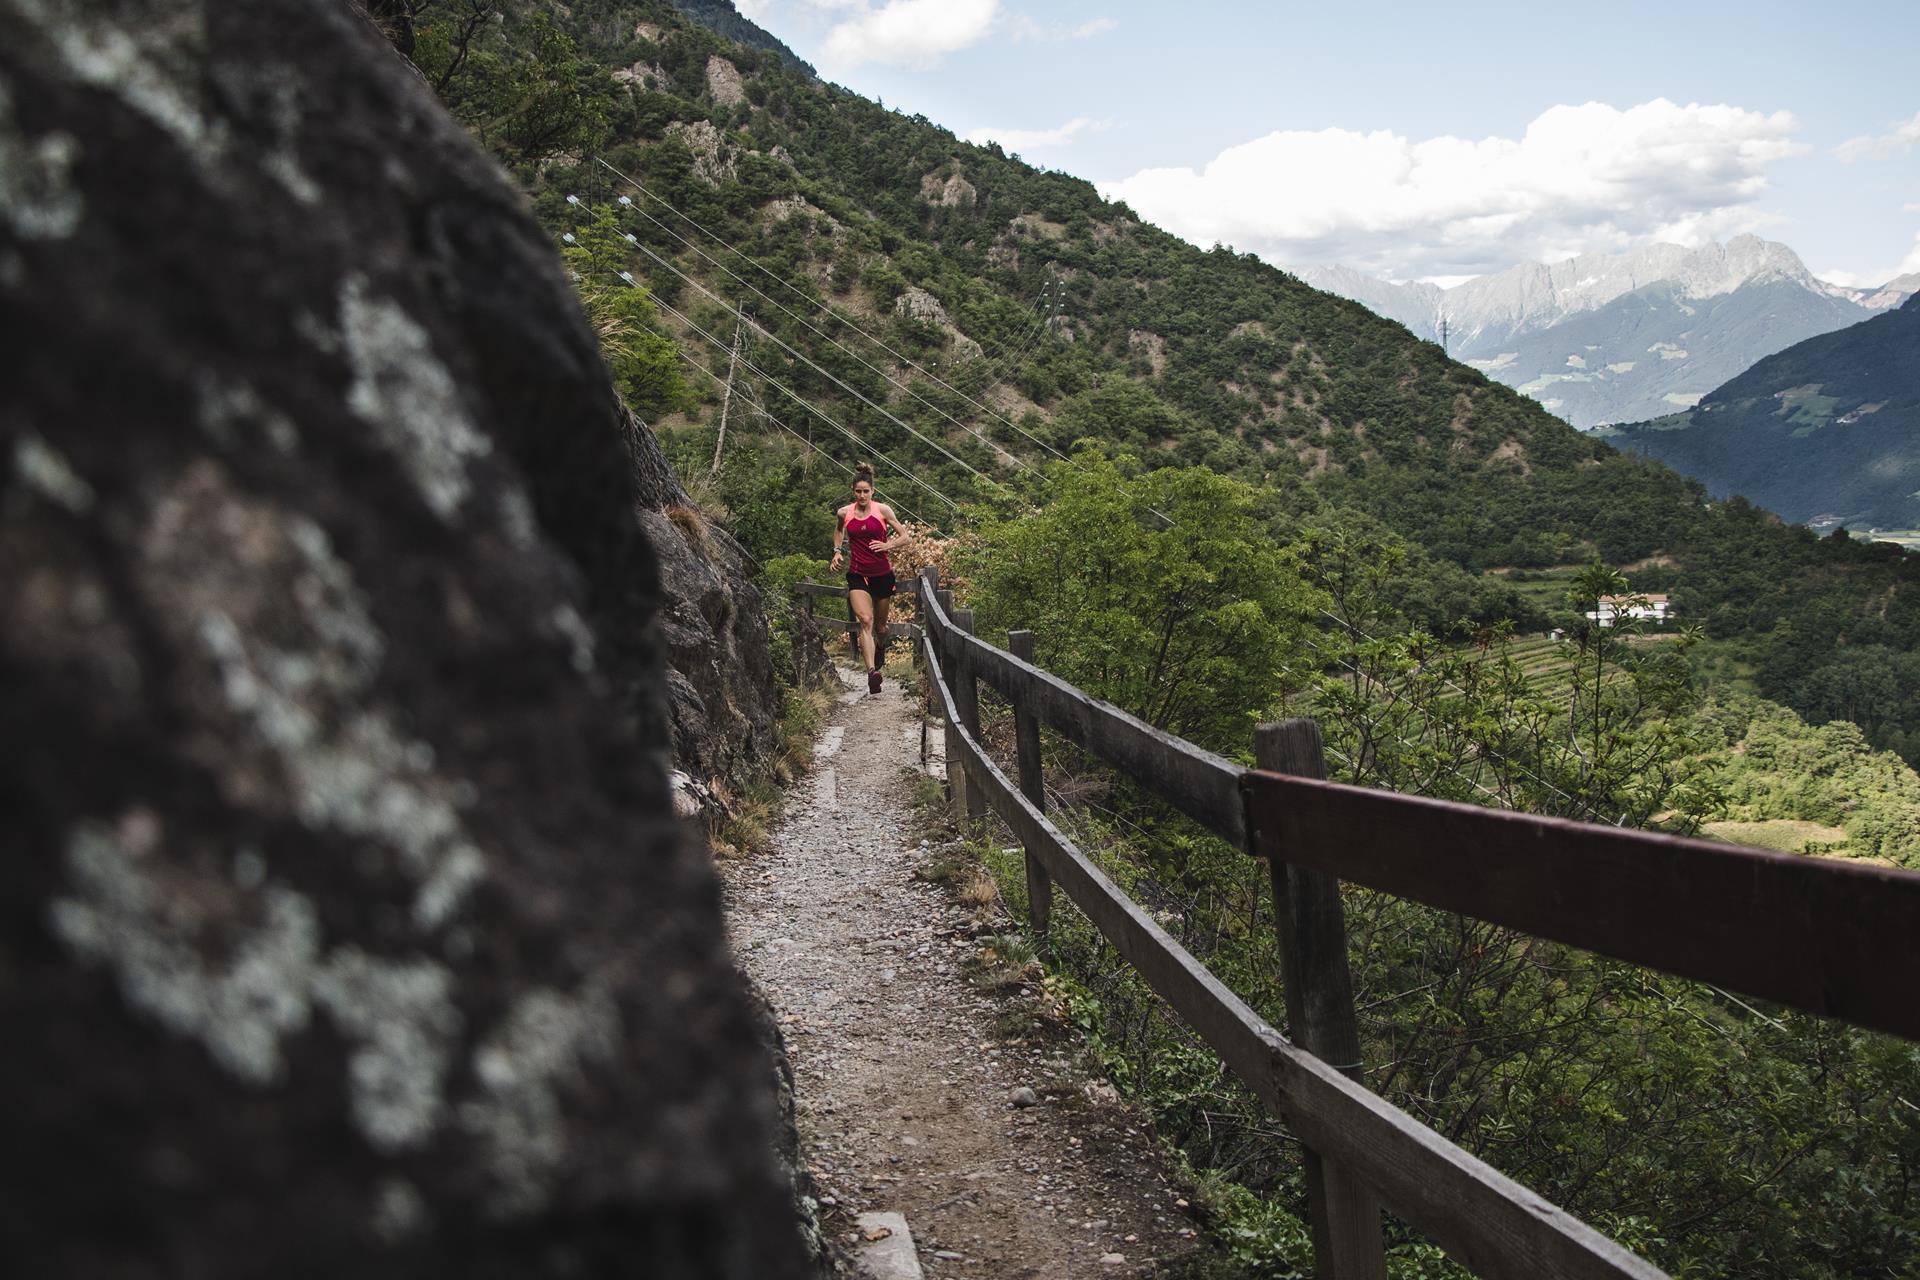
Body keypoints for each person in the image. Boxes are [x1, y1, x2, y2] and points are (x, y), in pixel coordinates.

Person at [829, 463, 905, 694]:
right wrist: (837, 551)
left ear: (873, 491)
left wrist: (887, 544)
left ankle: (880, 646)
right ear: (853, 491)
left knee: (881, 628)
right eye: (858, 491)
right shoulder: (845, 512)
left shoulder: (883, 511)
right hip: (858, 574)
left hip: (882, 574)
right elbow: (839, 531)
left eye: (866, 491)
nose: (862, 495)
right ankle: (872, 673)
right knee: (865, 620)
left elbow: (905, 537)